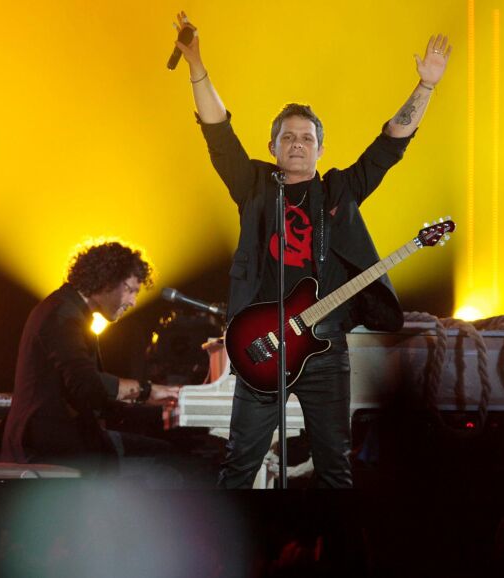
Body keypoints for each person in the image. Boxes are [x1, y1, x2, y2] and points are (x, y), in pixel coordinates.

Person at [173, 11, 452, 488]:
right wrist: (197, 65)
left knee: (335, 469)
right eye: (288, 137)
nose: (298, 144)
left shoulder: (340, 190)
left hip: (325, 348)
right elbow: (218, 132)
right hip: (262, 344)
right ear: (273, 146)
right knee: (239, 466)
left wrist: (425, 86)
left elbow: (390, 145)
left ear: (321, 149)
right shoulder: (254, 185)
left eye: (307, 138)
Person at [0, 240, 180, 476]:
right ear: (106, 280)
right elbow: (86, 385)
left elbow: (94, 397)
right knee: (169, 463)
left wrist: (156, 406)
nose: (133, 302)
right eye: (130, 290)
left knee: (164, 451)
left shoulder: (69, 310)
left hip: (62, 436)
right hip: (47, 445)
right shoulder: (63, 315)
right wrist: (148, 391)